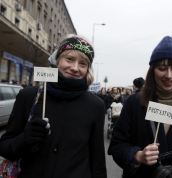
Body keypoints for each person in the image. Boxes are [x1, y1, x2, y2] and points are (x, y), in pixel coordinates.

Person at [0, 35, 107, 178]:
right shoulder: (28, 96)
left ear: (87, 69)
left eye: (83, 64)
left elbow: (97, 159)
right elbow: (5, 146)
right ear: (58, 60)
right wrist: (25, 138)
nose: (75, 68)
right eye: (69, 59)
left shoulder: (95, 105)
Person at [108, 36, 172, 178]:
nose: (169, 75)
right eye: (162, 68)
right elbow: (116, 145)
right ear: (152, 70)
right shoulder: (134, 103)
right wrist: (137, 156)